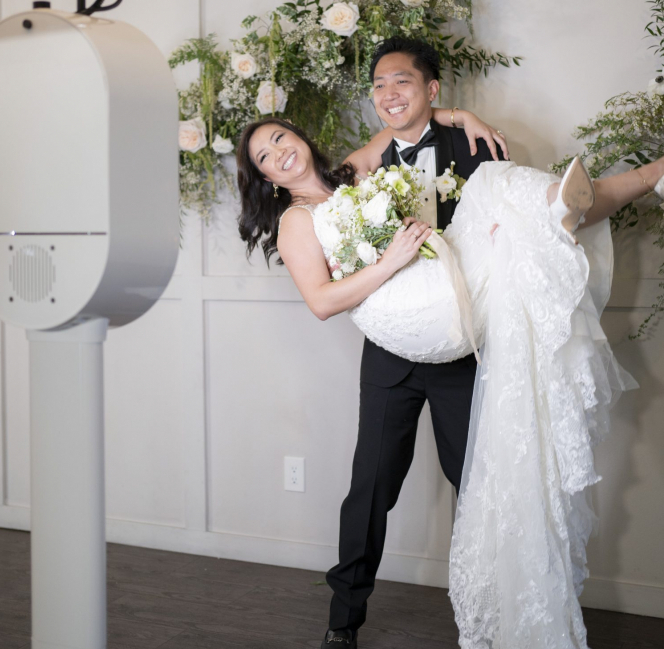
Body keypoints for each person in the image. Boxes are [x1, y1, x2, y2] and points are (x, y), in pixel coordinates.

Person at [236, 38, 664, 649]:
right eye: (265, 155)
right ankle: (342, 622)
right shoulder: (296, 220)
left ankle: (493, 604)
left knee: (480, 478)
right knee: (372, 489)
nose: (280, 152)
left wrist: (460, 116)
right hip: (391, 355)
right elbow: (323, 301)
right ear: (263, 176)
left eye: (282, 138)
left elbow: (405, 118)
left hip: (456, 337)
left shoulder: (353, 171)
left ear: (301, 139)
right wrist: (391, 260)